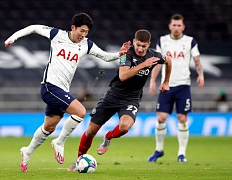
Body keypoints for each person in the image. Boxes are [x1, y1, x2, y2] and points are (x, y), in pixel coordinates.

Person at [4, 12, 131, 172]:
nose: (83, 35)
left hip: (62, 90)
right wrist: (12, 38)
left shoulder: (86, 44)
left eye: (86, 32)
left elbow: (105, 57)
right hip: (50, 87)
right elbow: (34, 28)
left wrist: (119, 54)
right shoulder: (57, 35)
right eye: (81, 31)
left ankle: (27, 151)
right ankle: (60, 142)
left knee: (49, 127)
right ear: (73, 27)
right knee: (80, 111)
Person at [68, 29, 172, 171]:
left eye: (144, 46)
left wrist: (166, 81)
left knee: (125, 127)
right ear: (134, 42)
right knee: (90, 131)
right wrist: (143, 64)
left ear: (148, 44)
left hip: (132, 98)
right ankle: (78, 160)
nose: (140, 49)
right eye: (138, 45)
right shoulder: (127, 54)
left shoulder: (154, 56)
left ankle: (108, 137)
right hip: (113, 95)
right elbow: (123, 76)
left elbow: (169, 60)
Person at [148, 14, 204, 162]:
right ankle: (159, 150)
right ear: (170, 26)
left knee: (182, 118)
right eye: (174, 25)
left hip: (183, 85)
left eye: (179, 25)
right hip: (166, 85)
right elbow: (157, 62)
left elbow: (197, 60)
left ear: (183, 27)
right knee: (161, 118)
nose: (177, 28)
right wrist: (153, 80)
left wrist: (201, 75)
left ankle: (181, 153)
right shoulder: (162, 40)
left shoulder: (190, 41)